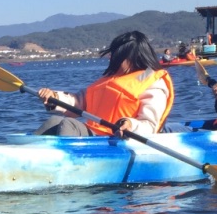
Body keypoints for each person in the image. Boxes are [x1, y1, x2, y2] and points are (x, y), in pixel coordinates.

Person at [35, 31, 174, 137]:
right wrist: (54, 98)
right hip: (98, 137)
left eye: (118, 57)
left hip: (121, 141)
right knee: (54, 121)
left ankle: (66, 167)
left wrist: (130, 124)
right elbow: (78, 102)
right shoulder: (110, 80)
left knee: (69, 124)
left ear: (134, 57)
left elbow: (150, 125)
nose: (112, 59)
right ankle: (26, 155)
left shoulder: (153, 83)